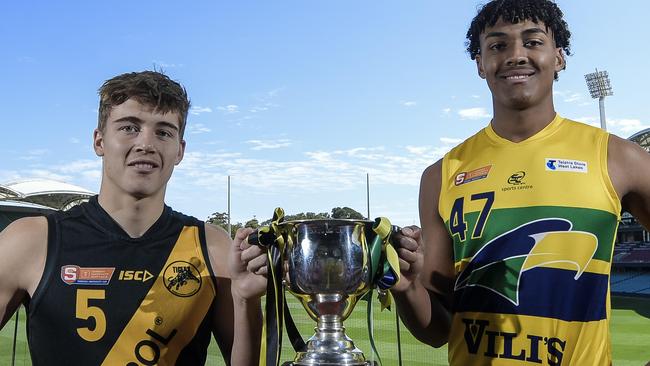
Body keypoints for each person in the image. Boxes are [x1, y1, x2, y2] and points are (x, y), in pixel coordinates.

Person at [391, 0, 650, 365]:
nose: (515, 55)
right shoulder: (441, 174)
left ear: (558, 57)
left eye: (532, 42)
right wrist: (407, 287)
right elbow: (437, 331)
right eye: (497, 45)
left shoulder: (621, 159)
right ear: (480, 64)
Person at [0, 71, 266, 365]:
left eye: (163, 132)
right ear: (99, 141)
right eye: (129, 128)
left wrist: (246, 301)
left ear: (179, 150)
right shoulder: (31, 240)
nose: (146, 144)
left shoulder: (212, 246)